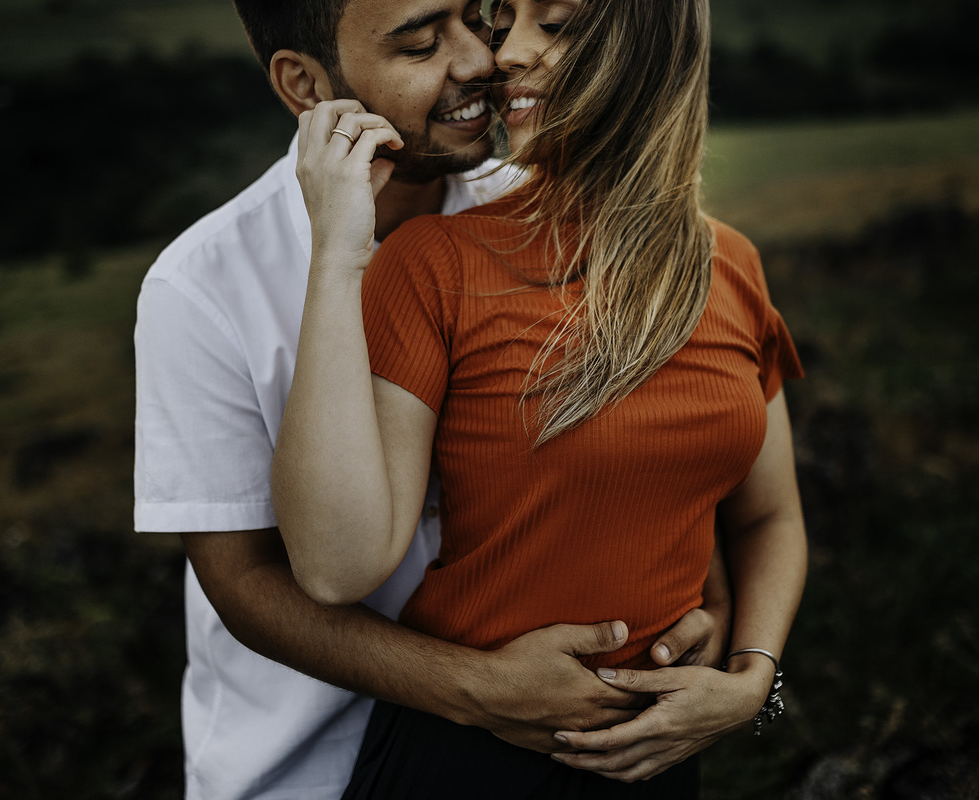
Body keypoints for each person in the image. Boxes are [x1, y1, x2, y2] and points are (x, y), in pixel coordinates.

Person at [134, 1, 731, 798]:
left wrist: (711, 628)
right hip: (300, 765)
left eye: (476, 17)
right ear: (307, 86)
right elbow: (244, 585)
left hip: (529, 753)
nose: (479, 60)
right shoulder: (200, 285)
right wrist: (478, 691)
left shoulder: (535, 205)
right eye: (420, 44)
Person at [272, 0, 809, 795]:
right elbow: (334, 566)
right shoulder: (433, 263)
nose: (505, 55)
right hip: (467, 761)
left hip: (657, 764)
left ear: (646, 49)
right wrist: (338, 254)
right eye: (505, 20)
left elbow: (770, 516)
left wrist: (751, 679)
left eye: (554, 26)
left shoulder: (725, 263)